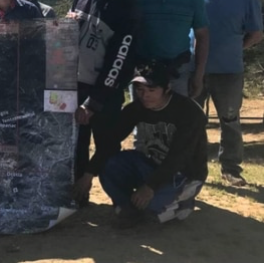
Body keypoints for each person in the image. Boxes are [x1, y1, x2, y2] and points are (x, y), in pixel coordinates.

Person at [74, 64, 208, 228]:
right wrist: (89, 173)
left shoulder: (189, 112)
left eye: (151, 90)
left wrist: (150, 187)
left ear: (167, 88)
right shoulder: (135, 109)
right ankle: (126, 206)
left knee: (153, 211)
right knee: (111, 164)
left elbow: (179, 157)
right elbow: (111, 141)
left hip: (183, 173)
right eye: (139, 90)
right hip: (150, 164)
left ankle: (181, 203)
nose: (145, 96)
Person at [67, 0, 139, 199]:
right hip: (74, 84)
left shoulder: (129, 7)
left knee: (107, 145)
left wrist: (93, 102)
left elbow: (119, 62)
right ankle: (77, 196)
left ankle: (120, 198)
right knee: (75, 145)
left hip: (105, 91)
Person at [193, 0, 263, 187]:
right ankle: (193, 167)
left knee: (230, 120)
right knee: (191, 119)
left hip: (229, 71)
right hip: (194, 70)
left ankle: (231, 170)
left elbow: (256, 33)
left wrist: (235, 48)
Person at [135, 0, 209, 97]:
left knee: (177, 120)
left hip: (178, 71)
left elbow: (202, 36)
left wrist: (198, 75)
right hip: (142, 71)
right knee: (143, 120)